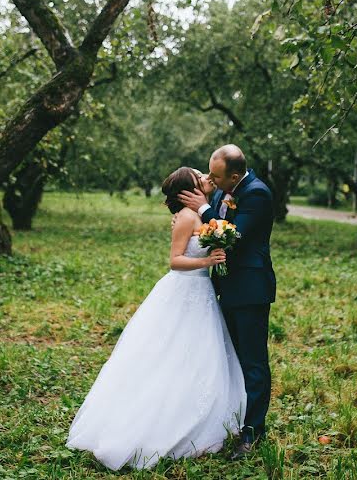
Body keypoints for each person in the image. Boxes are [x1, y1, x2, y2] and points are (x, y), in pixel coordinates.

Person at [66, 166, 246, 471]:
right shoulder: (188, 218)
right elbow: (175, 261)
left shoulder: (198, 214)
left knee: (197, 356)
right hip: (186, 290)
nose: (205, 177)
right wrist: (208, 259)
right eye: (199, 175)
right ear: (189, 190)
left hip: (200, 292)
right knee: (173, 354)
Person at [177, 144, 276, 459]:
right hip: (221, 287)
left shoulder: (257, 193)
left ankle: (253, 433)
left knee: (253, 361)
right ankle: (229, 419)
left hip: (250, 289)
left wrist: (204, 209)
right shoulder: (221, 190)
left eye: (216, 176)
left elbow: (233, 235)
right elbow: (206, 230)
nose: (210, 179)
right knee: (229, 358)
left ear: (234, 176)